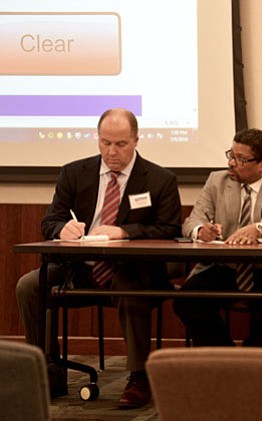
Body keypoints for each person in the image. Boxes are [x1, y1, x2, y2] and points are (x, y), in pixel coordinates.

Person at [15, 108, 182, 408]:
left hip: (131, 270)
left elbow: (170, 229)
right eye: (105, 143)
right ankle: (47, 370)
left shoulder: (160, 179)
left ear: (136, 141)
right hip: (79, 268)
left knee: (132, 291)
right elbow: (50, 220)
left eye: (120, 144)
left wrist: (124, 232)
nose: (111, 151)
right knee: (29, 285)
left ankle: (138, 378)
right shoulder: (74, 172)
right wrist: (61, 228)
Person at [173, 128, 262, 348]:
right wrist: (200, 230)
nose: (232, 164)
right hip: (226, 265)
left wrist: (260, 229)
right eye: (231, 155)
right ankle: (225, 358)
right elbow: (192, 220)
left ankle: (253, 359)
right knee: (187, 300)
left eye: (241, 159)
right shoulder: (217, 180)